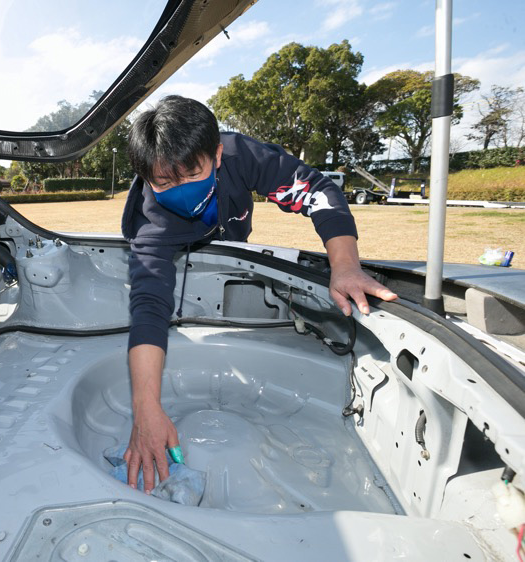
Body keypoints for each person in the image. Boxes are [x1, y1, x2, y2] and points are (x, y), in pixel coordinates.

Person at [120, 95, 397, 493]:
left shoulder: (241, 155)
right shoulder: (150, 224)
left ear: (217, 155)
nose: (178, 189)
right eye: (163, 182)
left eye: (191, 174)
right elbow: (149, 306)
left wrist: (345, 265)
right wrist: (145, 409)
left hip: (235, 250)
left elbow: (316, 190)